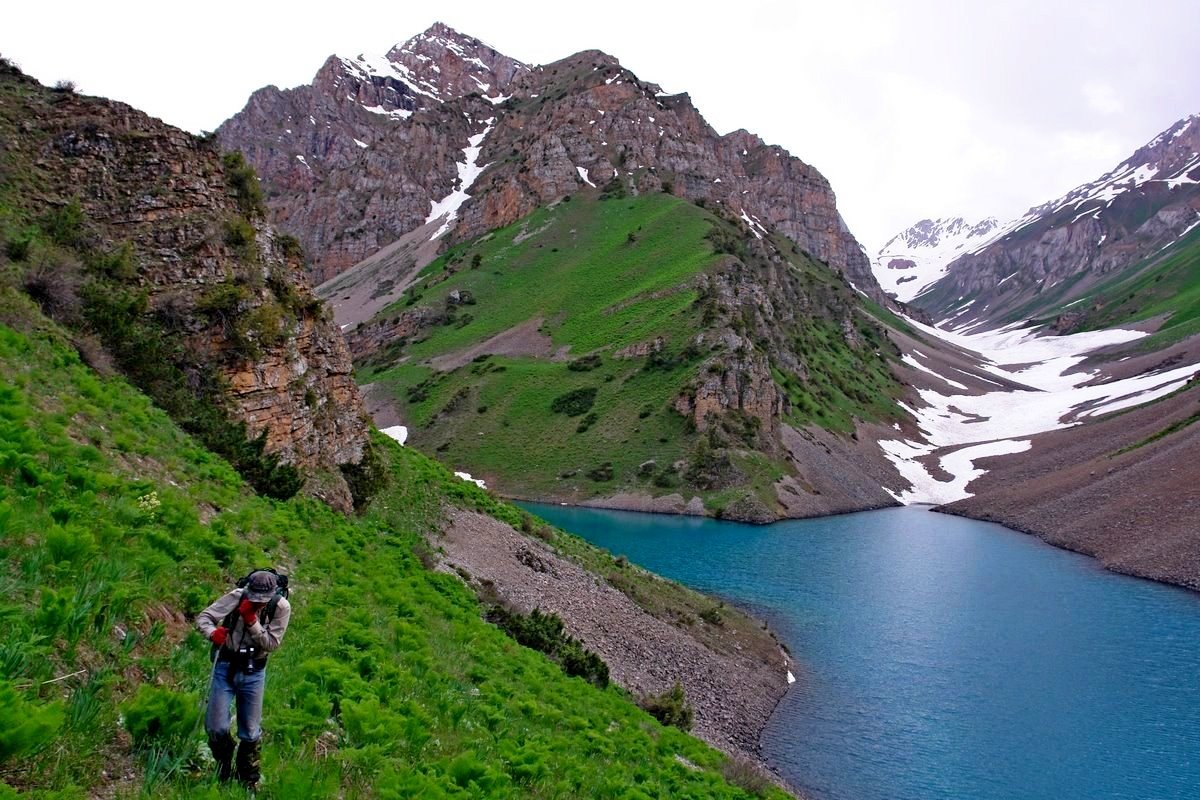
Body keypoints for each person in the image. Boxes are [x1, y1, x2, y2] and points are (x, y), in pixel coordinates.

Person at [196, 569, 291, 788]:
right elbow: (205, 617)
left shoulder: (281, 607)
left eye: (261, 601)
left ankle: (247, 780)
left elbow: (272, 643)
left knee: (249, 731)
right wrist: (212, 633)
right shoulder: (238, 595)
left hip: (254, 671)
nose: (257, 603)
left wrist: (251, 619)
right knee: (215, 727)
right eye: (254, 599)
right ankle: (223, 765)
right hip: (225, 666)